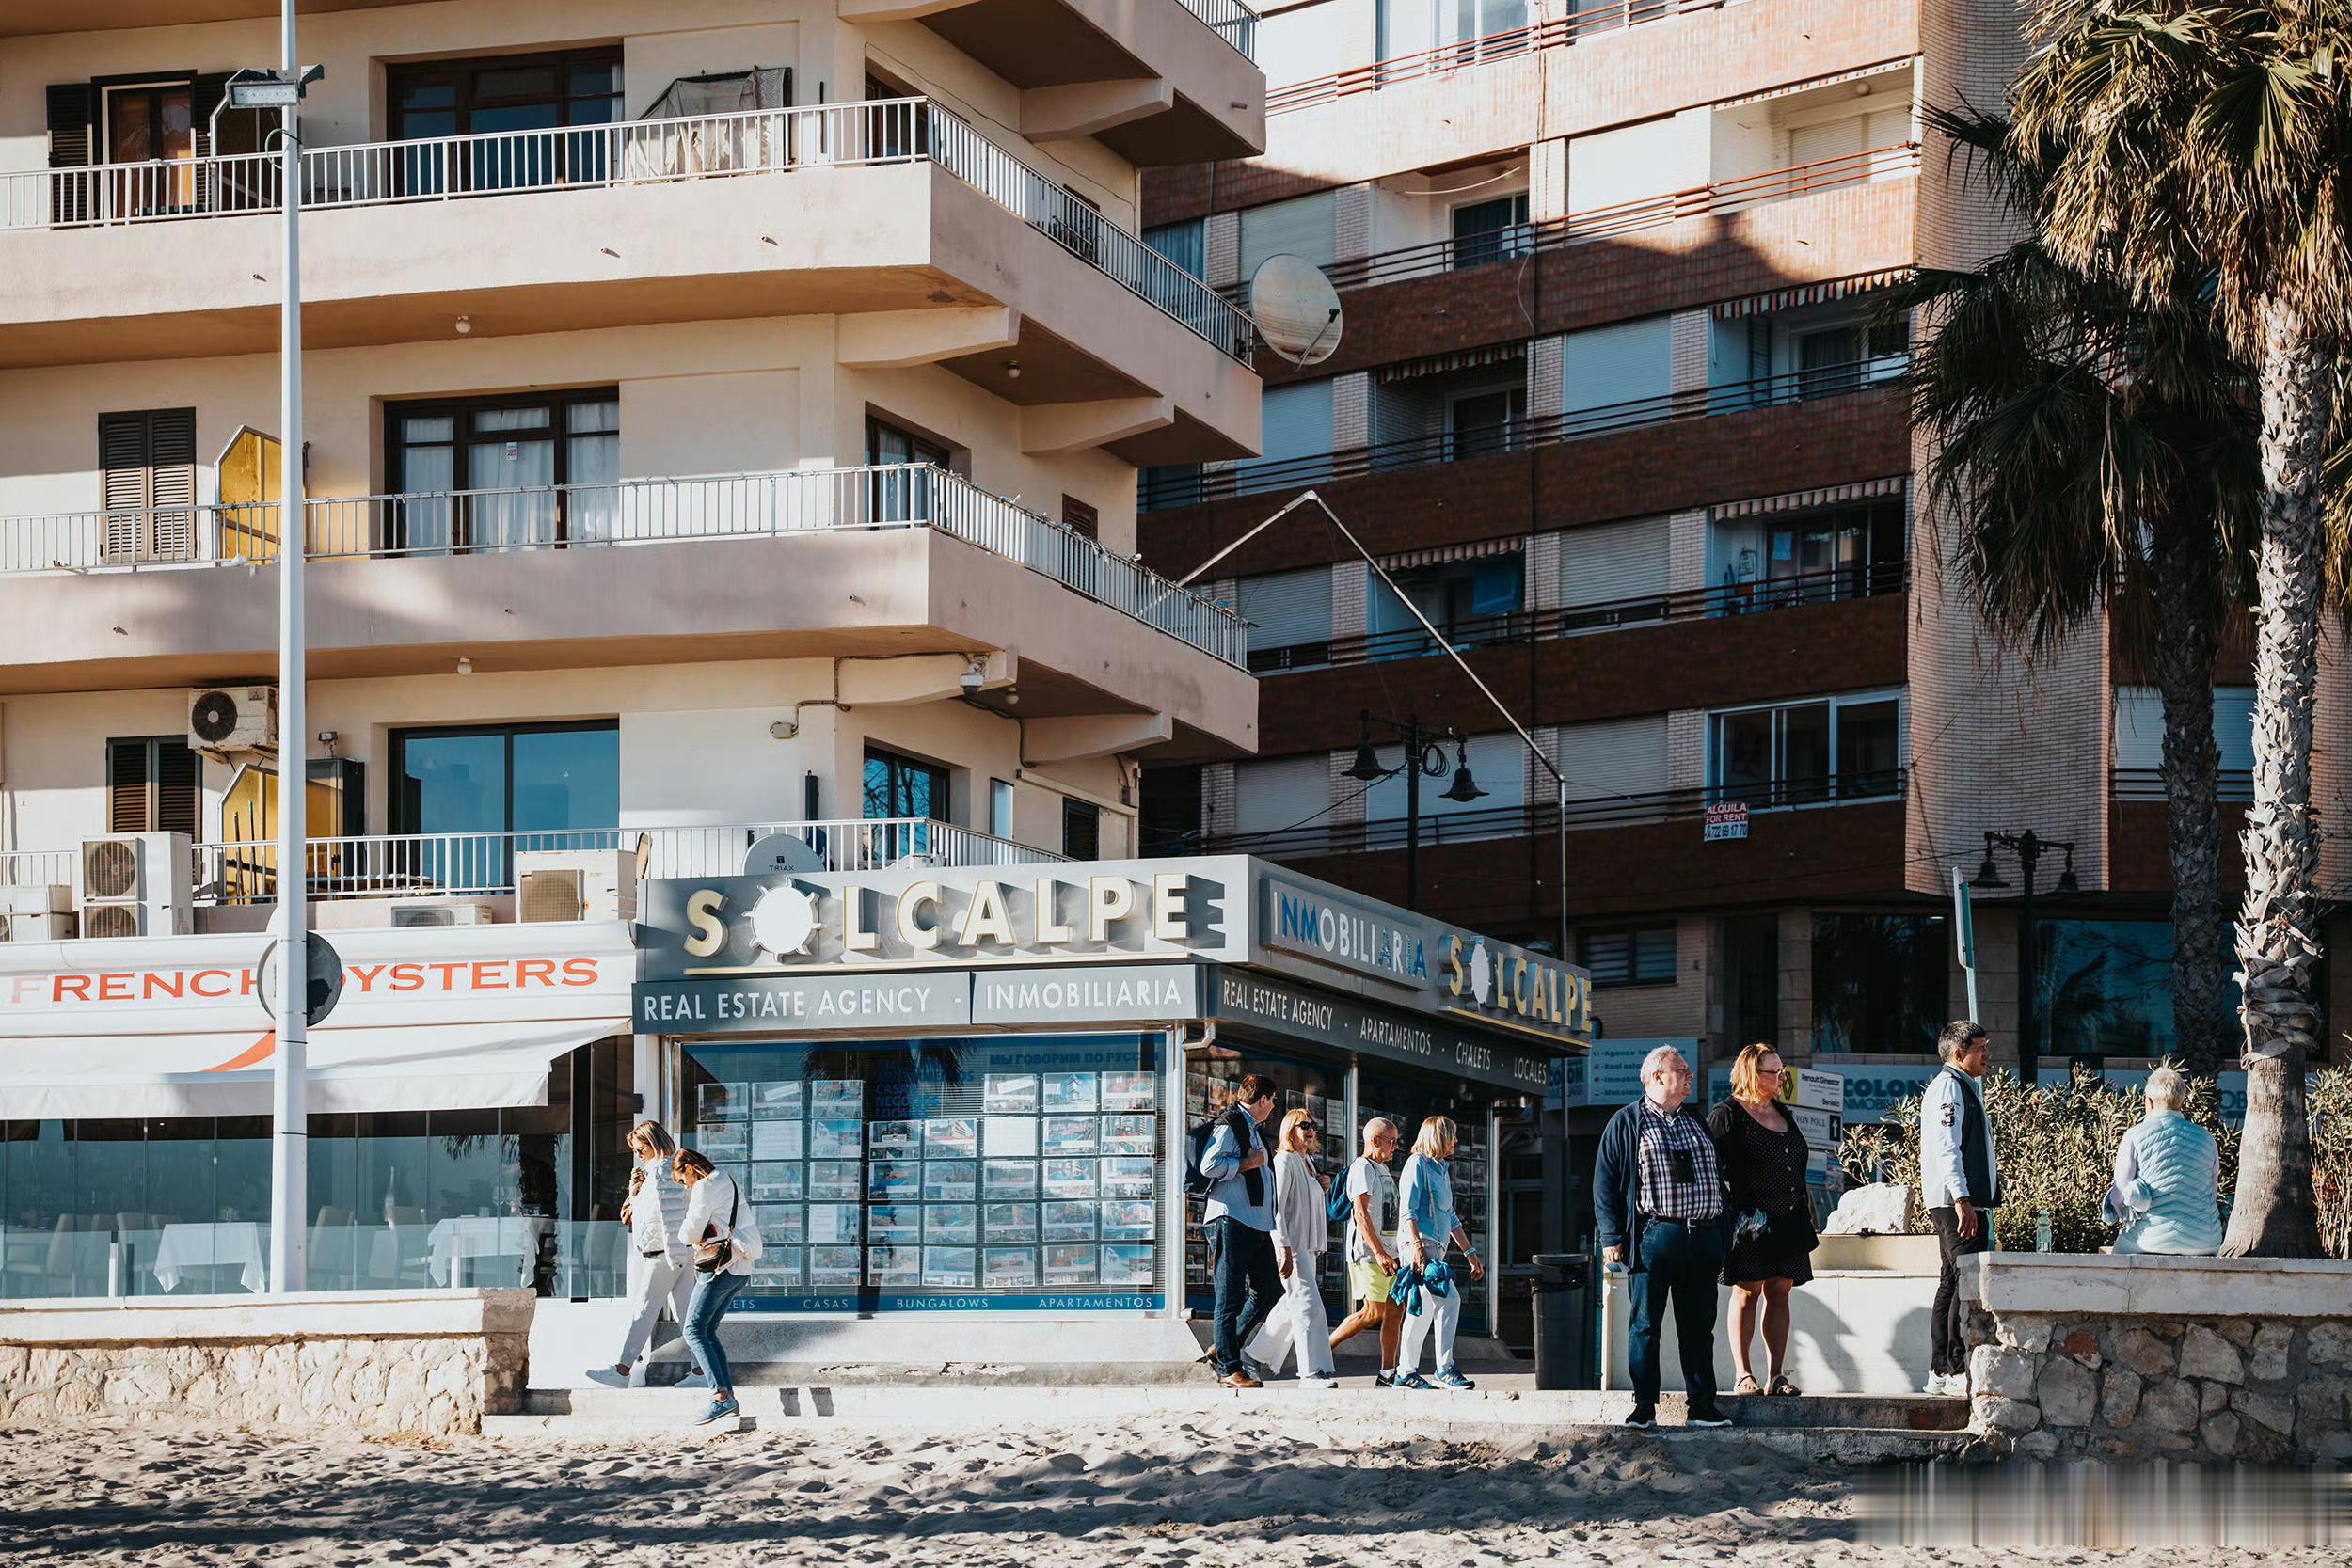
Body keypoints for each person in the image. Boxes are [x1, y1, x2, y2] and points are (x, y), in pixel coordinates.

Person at [1594, 1045, 1730, 1430]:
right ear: (1657, 1076)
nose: (1690, 1076)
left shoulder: (1696, 1119)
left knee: (1699, 1327)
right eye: (1681, 1070)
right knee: (1645, 1324)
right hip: (1654, 1236)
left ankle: (1702, 1407)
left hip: (1702, 1237)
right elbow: (1604, 1182)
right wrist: (1611, 1237)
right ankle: (1644, 1407)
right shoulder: (1627, 1122)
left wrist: (1722, 1233)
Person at [1708, 1044, 1818, 1397]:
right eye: (1776, 1072)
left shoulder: (1782, 1111)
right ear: (1753, 1074)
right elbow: (1710, 1169)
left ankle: (1777, 1376)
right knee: (1748, 1292)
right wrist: (1730, 1213)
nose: (1783, 1077)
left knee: (1781, 1292)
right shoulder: (1727, 1114)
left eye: (1783, 1070)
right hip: (1750, 1221)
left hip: (1790, 1218)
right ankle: (1743, 1374)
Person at [587, 1121, 706, 1389]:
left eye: (641, 1148)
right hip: (677, 1253)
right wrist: (634, 1193)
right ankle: (702, 1372)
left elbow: (671, 1216)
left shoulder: (664, 1171)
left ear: (654, 1144)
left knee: (644, 1310)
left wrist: (674, 1256)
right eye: (635, 1150)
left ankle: (622, 1371)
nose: (638, 1154)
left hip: (666, 1254)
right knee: (687, 1316)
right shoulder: (660, 1172)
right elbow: (643, 1215)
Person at [1919, 1019, 2001, 1397]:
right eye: (1981, 1048)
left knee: (1952, 1281)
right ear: (1958, 1053)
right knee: (1964, 1281)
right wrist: (1962, 1199)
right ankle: (1952, 1369)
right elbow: (1947, 1147)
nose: (1988, 1055)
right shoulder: (1949, 1088)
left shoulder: (1962, 1087)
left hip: (1962, 1201)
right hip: (1956, 1202)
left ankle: (1940, 1370)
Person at [1200, 1072, 1285, 1388]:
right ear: (1262, 1099)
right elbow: (1209, 1165)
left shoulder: (1252, 1128)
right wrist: (1247, 1164)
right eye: (1272, 1100)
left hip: (1256, 1222)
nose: (1273, 1107)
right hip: (1231, 1219)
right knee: (1229, 1295)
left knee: (1270, 1289)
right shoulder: (1231, 1123)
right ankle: (1229, 1368)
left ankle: (1224, 1347)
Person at [1247, 1108, 1340, 1388]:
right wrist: (1283, 1247)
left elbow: (1306, 1202)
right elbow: (1276, 1209)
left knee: (1291, 1304)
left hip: (1309, 1247)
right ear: (1290, 1129)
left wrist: (1322, 1187)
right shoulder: (1284, 1160)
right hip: (1293, 1247)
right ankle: (1311, 1373)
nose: (1310, 1131)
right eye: (1304, 1126)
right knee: (1308, 1305)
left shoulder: (1307, 1161)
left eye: (1313, 1126)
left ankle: (1252, 1355)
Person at [671, 1147, 764, 1427]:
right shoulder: (727, 1179)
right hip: (740, 1266)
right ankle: (728, 1398)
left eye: (681, 1179)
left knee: (692, 1330)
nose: (684, 1186)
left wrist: (688, 1229)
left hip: (720, 1267)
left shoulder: (704, 1186)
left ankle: (721, 1397)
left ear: (689, 1168)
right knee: (707, 1331)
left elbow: (688, 1233)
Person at [1392, 1116, 1485, 1391]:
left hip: (1436, 1248)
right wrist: (1417, 1248)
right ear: (1439, 1137)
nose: (1455, 1141)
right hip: (1421, 1246)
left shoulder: (1441, 1169)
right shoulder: (1417, 1164)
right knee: (1450, 1299)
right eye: (1451, 1135)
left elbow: (1451, 1216)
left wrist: (1469, 1252)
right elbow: (1407, 1211)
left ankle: (1405, 1373)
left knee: (1420, 1310)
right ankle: (1444, 1368)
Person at [2107, 1066, 2225, 1256]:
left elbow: (2118, 1195)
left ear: (2148, 1101)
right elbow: (2213, 1189)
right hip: (2206, 1241)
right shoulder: (2205, 1136)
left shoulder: (2135, 1135)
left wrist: (2123, 1213)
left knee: (2117, 1256)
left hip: (2149, 1240)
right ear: (2182, 1102)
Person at [1327, 1117, 1405, 1386]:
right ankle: (1319, 1353)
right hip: (1369, 1254)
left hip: (1391, 1254)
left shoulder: (1383, 1169)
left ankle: (1388, 1373)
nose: (1396, 1147)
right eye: (1392, 1141)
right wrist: (1380, 1252)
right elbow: (1360, 1214)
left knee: (1396, 1310)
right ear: (1374, 1141)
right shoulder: (1363, 1167)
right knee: (1373, 1312)